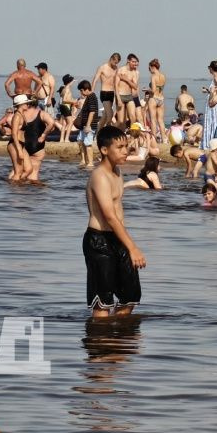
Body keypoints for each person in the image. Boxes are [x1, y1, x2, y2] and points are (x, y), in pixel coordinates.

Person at [84, 125, 146, 319]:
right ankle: (101, 343)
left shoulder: (117, 172)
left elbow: (118, 214)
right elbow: (109, 216)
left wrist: (127, 244)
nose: (126, 150)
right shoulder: (99, 176)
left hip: (117, 238)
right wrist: (133, 247)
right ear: (104, 150)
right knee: (103, 301)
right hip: (99, 241)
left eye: (126, 146)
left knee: (131, 296)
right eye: (119, 147)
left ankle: (118, 343)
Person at [18, 98, 56, 183]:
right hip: (37, 144)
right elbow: (52, 123)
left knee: (19, 170)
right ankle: (35, 194)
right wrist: (43, 135)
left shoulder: (21, 113)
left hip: (23, 144)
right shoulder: (41, 113)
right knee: (34, 173)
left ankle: (17, 190)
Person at [74, 81, 99, 168]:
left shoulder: (92, 97)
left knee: (88, 143)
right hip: (84, 125)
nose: (81, 93)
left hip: (89, 125)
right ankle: (84, 160)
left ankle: (90, 163)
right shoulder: (89, 97)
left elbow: (92, 112)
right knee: (81, 142)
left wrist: (88, 125)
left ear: (84, 90)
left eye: (81, 91)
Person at [116, 54, 141, 127]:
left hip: (130, 96)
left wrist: (126, 79)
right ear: (128, 61)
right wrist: (118, 99)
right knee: (121, 121)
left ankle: (132, 137)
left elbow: (135, 86)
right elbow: (116, 86)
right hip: (120, 96)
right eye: (133, 62)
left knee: (133, 117)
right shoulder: (120, 70)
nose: (134, 63)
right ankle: (110, 130)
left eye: (135, 62)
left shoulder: (134, 72)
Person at [148, 59, 167, 141]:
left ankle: (154, 139)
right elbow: (161, 88)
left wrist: (146, 90)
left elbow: (153, 90)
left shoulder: (153, 77)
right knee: (161, 120)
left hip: (154, 98)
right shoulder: (163, 76)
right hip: (161, 98)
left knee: (153, 120)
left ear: (152, 67)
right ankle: (164, 139)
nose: (150, 71)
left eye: (149, 69)